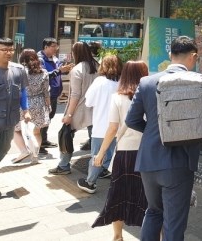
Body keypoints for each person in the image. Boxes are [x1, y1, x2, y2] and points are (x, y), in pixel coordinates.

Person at [126, 35, 202, 240]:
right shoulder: (199, 81)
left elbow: (131, 120)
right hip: (180, 162)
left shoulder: (147, 82)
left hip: (149, 160)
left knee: (153, 212)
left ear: (171, 55)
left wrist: (156, 131)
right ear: (193, 57)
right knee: (174, 223)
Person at [92, 60, 150, 239]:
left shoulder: (117, 97)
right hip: (147, 153)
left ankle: (118, 236)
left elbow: (112, 128)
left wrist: (101, 153)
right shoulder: (151, 95)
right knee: (149, 197)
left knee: (119, 195)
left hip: (125, 153)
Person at [48, 42, 99, 175]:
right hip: (96, 109)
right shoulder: (97, 66)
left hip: (80, 109)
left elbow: (75, 95)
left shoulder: (77, 69)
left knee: (65, 134)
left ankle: (64, 165)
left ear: (76, 53)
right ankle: (99, 169)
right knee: (96, 140)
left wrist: (69, 115)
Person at [77, 54, 123, 194]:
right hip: (118, 127)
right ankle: (104, 171)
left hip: (101, 126)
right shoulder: (122, 83)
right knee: (111, 153)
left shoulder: (99, 81)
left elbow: (89, 102)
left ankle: (90, 182)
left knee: (97, 154)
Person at [0, 37, 30, 198]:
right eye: (4, 50)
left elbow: (23, 91)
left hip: (10, 120)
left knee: (3, 149)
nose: (8, 53)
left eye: (10, 49)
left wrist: (26, 110)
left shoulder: (19, 70)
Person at [11, 49, 50, 165]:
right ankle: (35, 156)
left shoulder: (20, 72)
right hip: (39, 103)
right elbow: (46, 92)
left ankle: (24, 151)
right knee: (36, 131)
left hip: (24, 103)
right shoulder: (43, 72)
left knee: (15, 130)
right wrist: (48, 106)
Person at [37, 37, 73, 152]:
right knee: (43, 119)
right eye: (53, 46)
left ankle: (43, 140)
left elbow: (58, 72)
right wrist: (59, 70)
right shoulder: (39, 59)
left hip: (54, 93)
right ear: (46, 47)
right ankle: (38, 144)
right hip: (44, 94)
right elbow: (43, 76)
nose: (56, 49)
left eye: (56, 46)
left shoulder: (54, 58)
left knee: (49, 117)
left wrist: (65, 69)